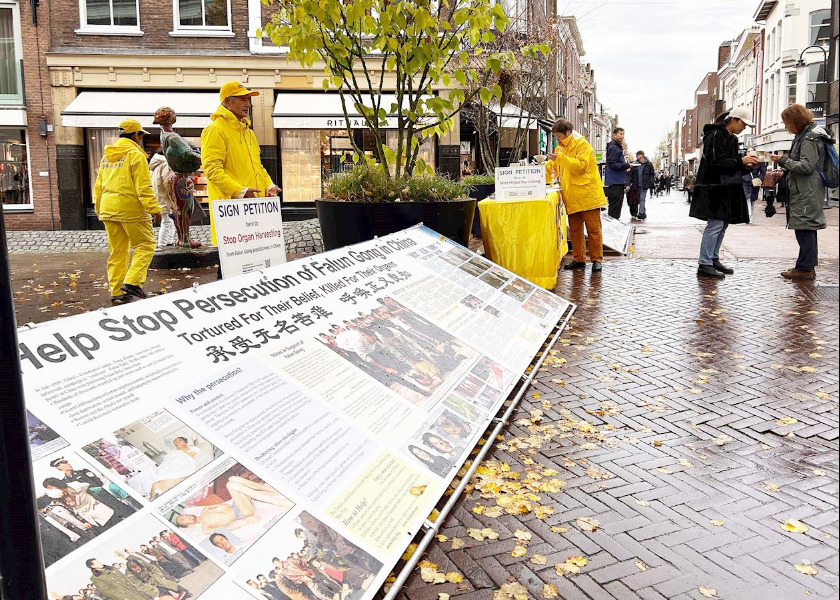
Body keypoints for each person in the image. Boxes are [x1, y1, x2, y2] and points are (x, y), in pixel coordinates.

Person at [202, 81, 279, 253]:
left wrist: (269, 185)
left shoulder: (248, 132)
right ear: (228, 101)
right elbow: (212, 170)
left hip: (253, 210)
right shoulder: (215, 130)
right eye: (242, 99)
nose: (248, 104)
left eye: (248, 99)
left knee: (252, 265)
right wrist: (240, 191)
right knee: (232, 267)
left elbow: (258, 166)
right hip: (232, 210)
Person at [93, 118, 161, 302]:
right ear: (136, 135)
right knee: (145, 245)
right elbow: (143, 187)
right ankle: (133, 282)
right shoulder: (135, 155)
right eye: (141, 135)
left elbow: (98, 185)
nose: (142, 139)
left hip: (108, 207)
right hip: (130, 208)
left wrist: (99, 207)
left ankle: (117, 291)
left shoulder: (107, 156)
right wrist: (154, 209)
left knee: (117, 252)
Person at [690, 107, 757, 278]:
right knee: (715, 225)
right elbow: (716, 162)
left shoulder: (731, 139)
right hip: (715, 188)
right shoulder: (715, 135)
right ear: (733, 120)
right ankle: (705, 262)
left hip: (725, 188)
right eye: (743, 123)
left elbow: (729, 164)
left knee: (722, 224)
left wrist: (745, 166)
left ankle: (712, 258)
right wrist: (740, 161)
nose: (744, 128)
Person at [770, 104, 833, 281]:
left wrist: (783, 160)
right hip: (804, 189)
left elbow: (806, 166)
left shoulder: (809, 139)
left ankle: (805, 269)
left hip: (807, 190)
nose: (785, 127)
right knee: (805, 228)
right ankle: (805, 266)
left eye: (786, 122)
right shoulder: (805, 135)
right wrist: (786, 169)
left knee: (804, 228)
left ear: (795, 121)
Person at [548, 118, 606, 272]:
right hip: (572, 195)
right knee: (575, 230)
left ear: (568, 132)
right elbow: (553, 166)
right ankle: (579, 258)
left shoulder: (583, 145)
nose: (557, 139)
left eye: (559, 136)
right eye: (556, 137)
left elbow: (581, 166)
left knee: (593, 229)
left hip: (587, 195)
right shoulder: (560, 147)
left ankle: (596, 259)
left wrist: (560, 158)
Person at [154, 107, 202, 249]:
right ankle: (185, 239)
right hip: (181, 176)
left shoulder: (164, 134)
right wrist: (200, 156)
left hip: (172, 175)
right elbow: (187, 154)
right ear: (172, 118)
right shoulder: (173, 137)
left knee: (177, 209)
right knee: (185, 209)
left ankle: (181, 238)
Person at [149, 150, 177, 248]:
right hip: (165, 198)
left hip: (158, 197)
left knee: (168, 220)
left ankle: (169, 242)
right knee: (167, 221)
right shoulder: (165, 164)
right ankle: (162, 244)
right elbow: (168, 182)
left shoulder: (155, 165)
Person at [604, 127, 632, 220]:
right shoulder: (614, 147)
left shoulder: (616, 147)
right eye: (620, 134)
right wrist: (627, 165)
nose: (622, 136)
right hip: (615, 181)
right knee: (615, 207)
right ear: (614, 135)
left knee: (616, 207)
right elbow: (612, 164)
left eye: (623, 134)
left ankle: (614, 225)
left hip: (617, 181)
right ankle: (613, 228)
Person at [741, 148, 766, 222]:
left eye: (751, 151)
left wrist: (759, 179)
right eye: (748, 151)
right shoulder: (743, 160)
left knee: (752, 200)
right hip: (745, 183)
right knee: (747, 199)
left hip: (755, 183)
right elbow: (740, 171)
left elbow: (763, 172)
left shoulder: (759, 160)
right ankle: (747, 218)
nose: (750, 153)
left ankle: (750, 218)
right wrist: (746, 179)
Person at [632, 151, 655, 219]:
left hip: (644, 184)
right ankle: (643, 211)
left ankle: (641, 213)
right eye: (637, 156)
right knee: (639, 199)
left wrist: (651, 182)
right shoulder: (635, 164)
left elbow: (652, 174)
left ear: (642, 156)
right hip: (637, 185)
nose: (637, 157)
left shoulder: (649, 164)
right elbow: (631, 174)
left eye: (638, 156)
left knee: (642, 198)